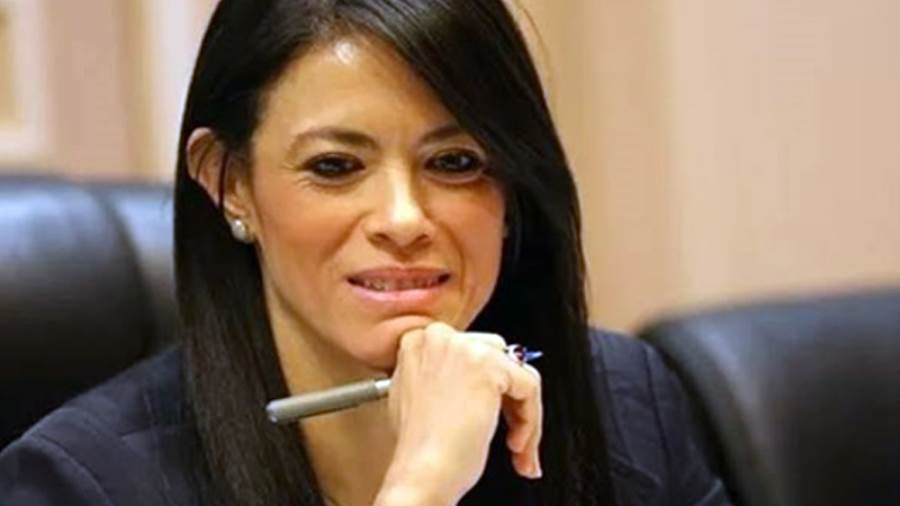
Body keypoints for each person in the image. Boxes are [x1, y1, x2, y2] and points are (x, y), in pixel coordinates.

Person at [0, 0, 731, 505]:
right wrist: (422, 486)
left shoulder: (625, 402)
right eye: (335, 167)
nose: (404, 219)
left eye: (455, 163)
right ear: (229, 184)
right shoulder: (84, 484)